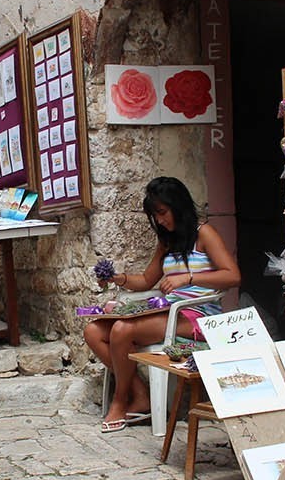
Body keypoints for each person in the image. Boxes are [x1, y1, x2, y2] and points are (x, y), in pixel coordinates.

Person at [83, 177, 240, 432]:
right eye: (155, 216)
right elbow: (147, 280)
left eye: (163, 212)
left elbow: (233, 276)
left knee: (122, 329)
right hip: (170, 312)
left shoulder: (204, 234)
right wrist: (118, 278)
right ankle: (140, 395)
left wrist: (188, 278)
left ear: (178, 206)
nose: (160, 220)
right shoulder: (167, 241)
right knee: (93, 331)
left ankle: (120, 401)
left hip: (198, 316)